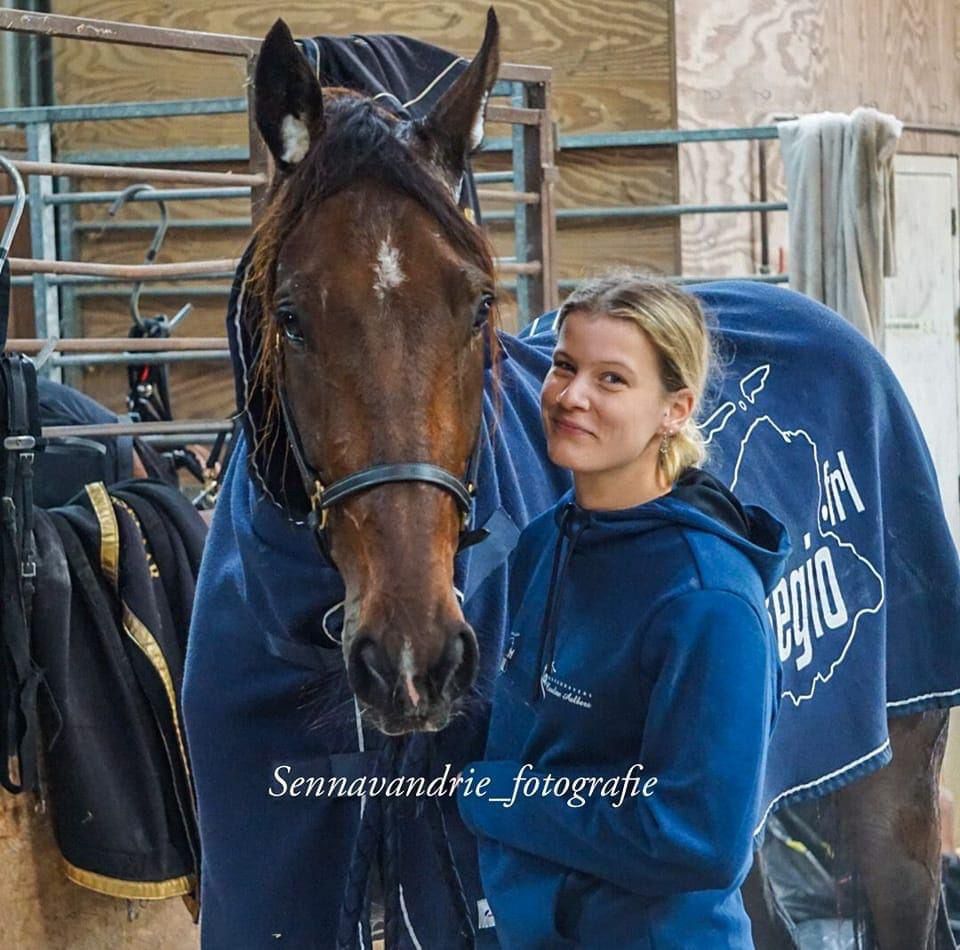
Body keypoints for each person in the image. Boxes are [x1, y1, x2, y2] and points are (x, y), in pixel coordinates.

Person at [457, 273, 790, 948]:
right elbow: (542, 742)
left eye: (612, 379)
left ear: (675, 408)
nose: (572, 396)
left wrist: (498, 798)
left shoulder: (709, 600)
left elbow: (698, 838)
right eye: (565, 366)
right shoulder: (547, 539)